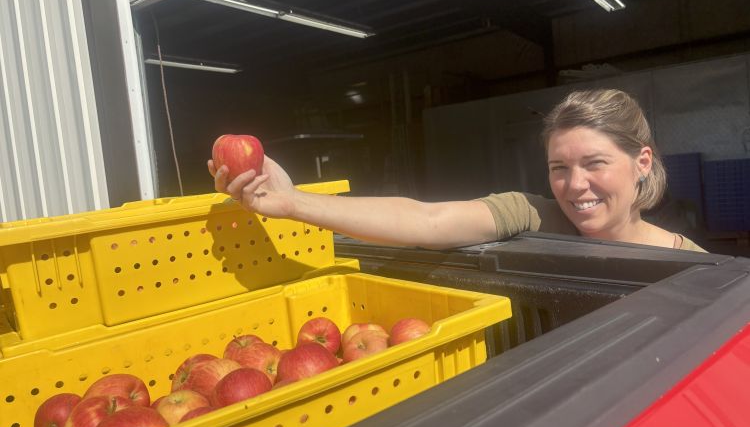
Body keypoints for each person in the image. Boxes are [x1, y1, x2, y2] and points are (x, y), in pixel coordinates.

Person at [209, 89, 706, 252]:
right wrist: (292, 203)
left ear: (642, 162)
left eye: (594, 163)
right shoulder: (533, 215)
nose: (574, 186)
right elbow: (424, 221)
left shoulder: (698, 267)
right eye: (559, 167)